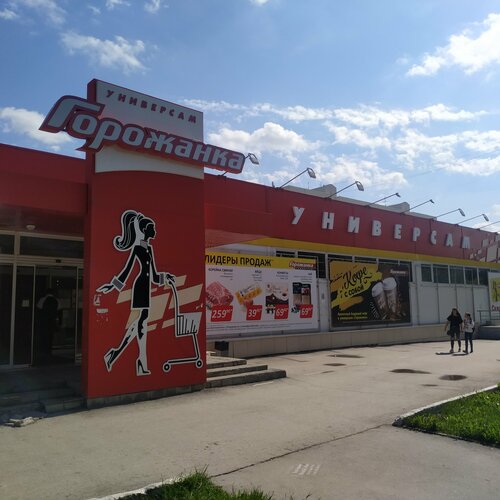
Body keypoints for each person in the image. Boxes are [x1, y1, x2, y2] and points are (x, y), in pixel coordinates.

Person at [97, 210, 175, 376]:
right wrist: (113, 285)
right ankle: (139, 360)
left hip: (146, 287)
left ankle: (116, 354)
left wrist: (166, 277)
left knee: (141, 321)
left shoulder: (149, 249)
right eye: (152, 228)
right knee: (142, 322)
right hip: (139, 286)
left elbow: (154, 276)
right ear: (145, 230)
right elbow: (127, 270)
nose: (155, 231)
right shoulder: (137, 248)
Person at [35, 288, 60, 364]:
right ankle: (49, 351)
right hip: (52, 321)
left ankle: (43, 351)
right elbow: (58, 310)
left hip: (43, 321)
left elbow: (38, 308)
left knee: (43, 336)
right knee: (50, 336)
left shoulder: (42, 299)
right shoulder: (56, 300)